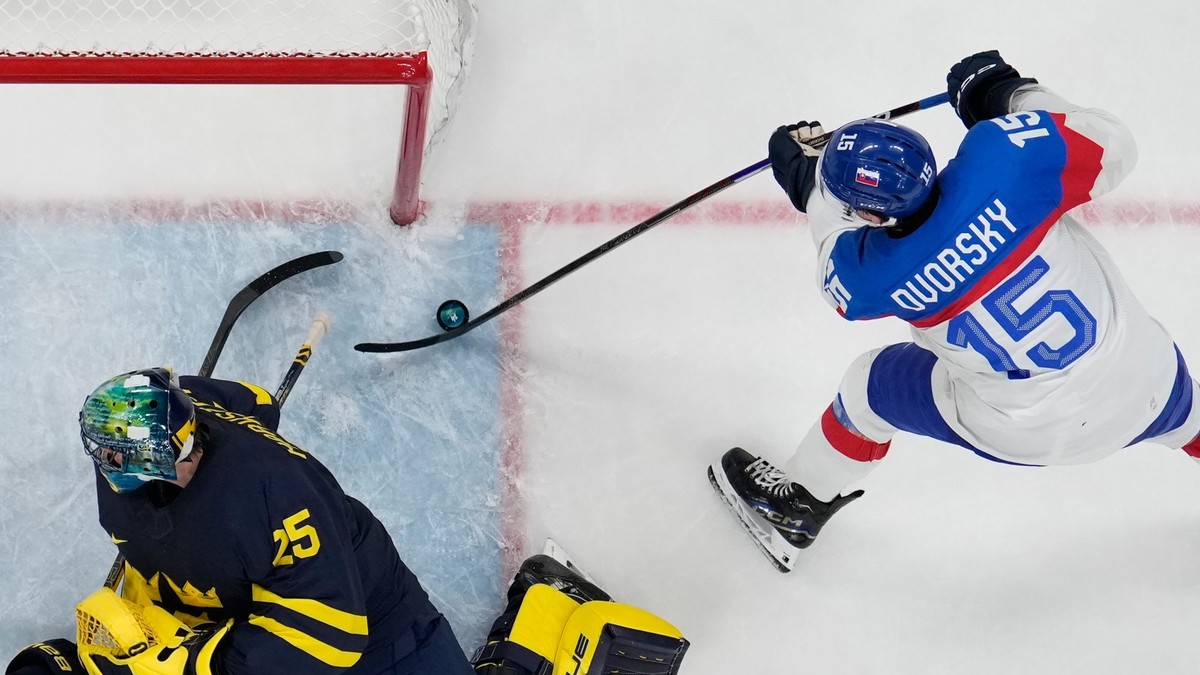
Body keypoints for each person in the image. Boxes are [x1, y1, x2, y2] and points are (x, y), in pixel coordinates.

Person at [709, 49, 1200, 573]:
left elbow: (836, 247)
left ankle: (799, 505)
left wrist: (812, 185)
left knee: (868, 387)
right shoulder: (1007, 163)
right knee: (1180, 410)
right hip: (1150, 385)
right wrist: (1005, 92)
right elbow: (1112, 142)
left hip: (1028, 434)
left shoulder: (868, 275)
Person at [7, 367, 475, 674]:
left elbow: (334, 632)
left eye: (190, 445)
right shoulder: (130, 428)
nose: (194, 452)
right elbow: (252, 401)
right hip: (220, 612)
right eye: (178, 452)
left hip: (379, 628)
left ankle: (537, 602)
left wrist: (200, 664)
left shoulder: (278, 494)